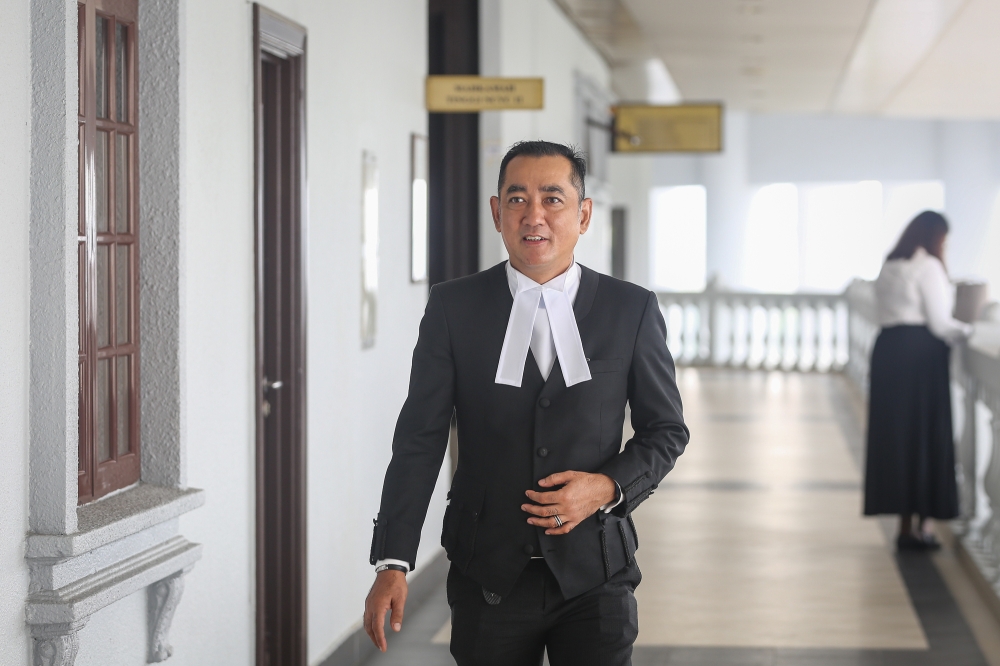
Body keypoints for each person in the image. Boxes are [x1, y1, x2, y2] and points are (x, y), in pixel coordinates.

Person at [363, 140, 689, 665]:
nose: (534, 215)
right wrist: (393, 561)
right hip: (487, 572)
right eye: (517, 199)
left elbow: (666, 430)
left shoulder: (630, 310)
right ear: (497, 212)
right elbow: (419, 440)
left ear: (583, 215)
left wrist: (607, 486)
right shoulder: (453, 308)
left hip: (596, 571)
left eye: (553, 199)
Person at [864, 211, 973, 550]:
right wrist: (969, 330)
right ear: (935, 237)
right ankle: (922, 527)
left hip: (888, 352)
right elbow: (941, 323)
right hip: (921, 358)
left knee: (895, 439)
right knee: (925, 436)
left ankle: (904, 525)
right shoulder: (928, 267)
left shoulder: (890, 264)